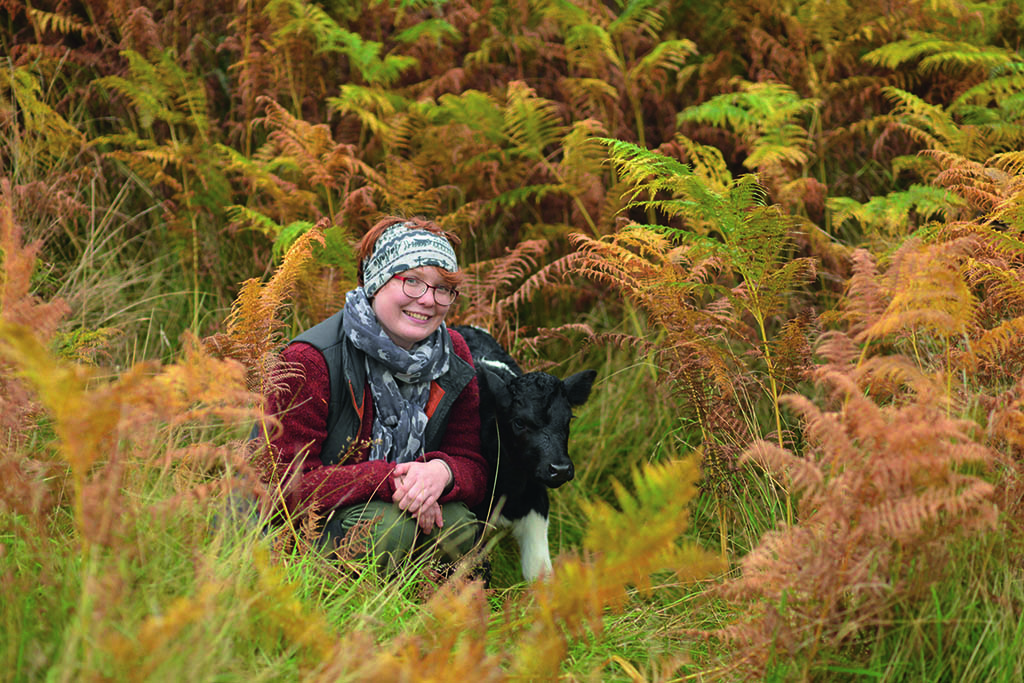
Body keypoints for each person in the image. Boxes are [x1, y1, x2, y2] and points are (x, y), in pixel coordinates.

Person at [260, 216, 487, 573]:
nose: (428, 300)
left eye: (443, 287)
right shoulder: (310, 361)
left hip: (399, 504)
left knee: (458, 525)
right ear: (376, 281)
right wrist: (390, 478)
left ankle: (429, 613)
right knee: (388, 528)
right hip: (309, 526)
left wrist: (441, 473)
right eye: (412, 281)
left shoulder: (452, 351)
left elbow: (472, 462)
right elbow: (279, 486)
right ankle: (345, 614)